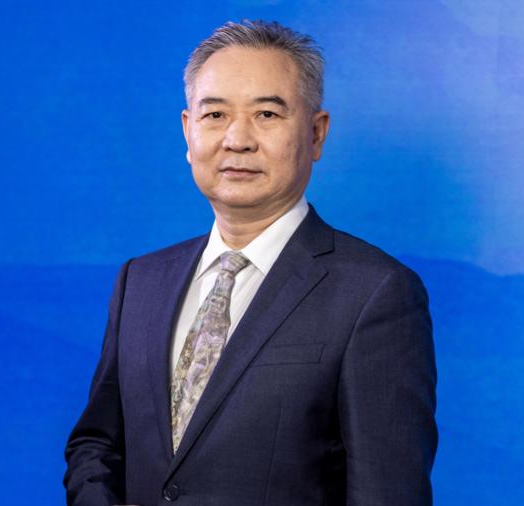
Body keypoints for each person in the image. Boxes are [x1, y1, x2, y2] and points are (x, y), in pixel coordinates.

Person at [64, 19, 437, 506]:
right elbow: (97, 444)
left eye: (266, 114)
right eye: (215, 114)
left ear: (316, 134)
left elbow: (387, 494)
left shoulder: (375, 293)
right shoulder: (141, 281)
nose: (237, 139)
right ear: (188, 131)